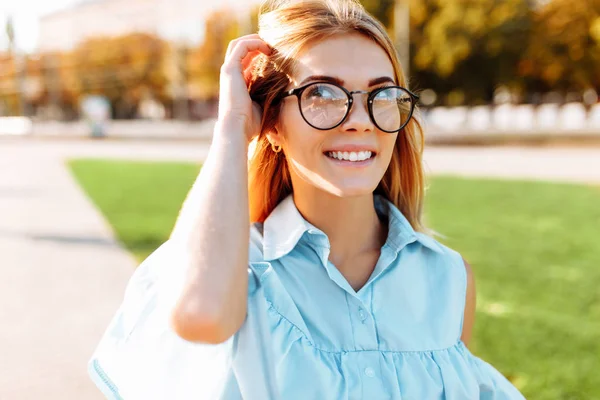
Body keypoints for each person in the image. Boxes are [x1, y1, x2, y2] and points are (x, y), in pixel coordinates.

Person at [88, 0, 526, 398]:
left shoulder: (448, 277)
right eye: (322, 93)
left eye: (381, 95)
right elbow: (201, 315)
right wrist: (232, 126)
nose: (359, 121)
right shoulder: (235, 270)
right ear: (273, 124)